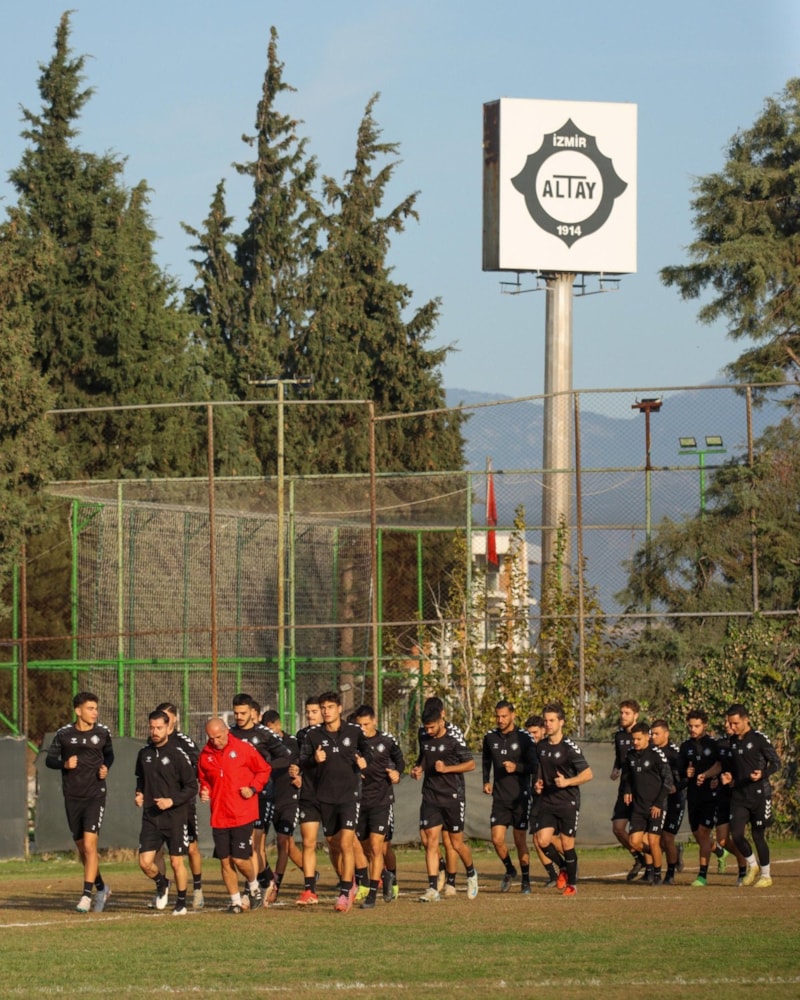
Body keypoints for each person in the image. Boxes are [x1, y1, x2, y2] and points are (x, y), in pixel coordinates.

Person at [299, 691, 370, 913]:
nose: (326, 711)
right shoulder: (313, 735)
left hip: (349, 796)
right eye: (323, 708)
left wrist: (364, 761)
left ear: (339, 708)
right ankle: (349, 883)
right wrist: (314, 759)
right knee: (334, 844)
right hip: (325, 798)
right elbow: (303, 762)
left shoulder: (354, 731)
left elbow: (368, 751)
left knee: (347, 843)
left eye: (330, 707)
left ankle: (345, 892)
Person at [45, 691, 114, 913]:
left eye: (96, 708)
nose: (95, 712)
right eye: (90, 709)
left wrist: (105, 767)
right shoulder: (64, 734)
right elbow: (49, 760)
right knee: (82, 848)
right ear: (78, 711)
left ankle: (86, 895)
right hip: (72, 796)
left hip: (95, 795)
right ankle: (102, 888)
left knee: (90, 845)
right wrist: (64, 764)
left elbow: (109, 755)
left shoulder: (102, 732)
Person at [197, 717, 272, 913]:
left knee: (239, 859)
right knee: (225, 860)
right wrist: (204, 790)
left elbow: (264, 770)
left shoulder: (243, 749)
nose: (215, 741)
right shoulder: (205, 755)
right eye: (211, 738)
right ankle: (236, 901)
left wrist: (253, 788)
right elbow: (204, 779)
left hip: (242, 813)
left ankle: (253, 886)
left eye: (218, 736)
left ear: (226, 731)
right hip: (219, 816)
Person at [412, 702, 479, 902]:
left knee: (456, 843)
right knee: (431, 841)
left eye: (432, 727)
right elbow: (424, 756)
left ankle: (471, 873)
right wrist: (418, 768)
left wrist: (447, 769)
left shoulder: (453, 738)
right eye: (426, 727)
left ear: (441, 721)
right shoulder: (424, 735)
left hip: (452, 796)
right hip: (431, 795)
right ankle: (433, 888)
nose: (429, 731)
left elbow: (471, 764)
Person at [229, 693, 291, 903]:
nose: (239, 717)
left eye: (243, 713)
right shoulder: (230, 734)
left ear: (252, 712)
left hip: (262, 794)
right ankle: (264, 879)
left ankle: (251, 890)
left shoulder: (264, 734)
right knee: (243, 847)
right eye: (236, 713)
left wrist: (263, 768)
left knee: (253, 843)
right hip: (238, 796)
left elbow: (285, 757)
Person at [134, 710, 198, 915]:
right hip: (151, 817)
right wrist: (139, 793)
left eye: (159, 728)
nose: (155, 731)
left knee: (176, 861)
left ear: (168, 728)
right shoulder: (144, 754)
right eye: (152, 727)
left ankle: (181, 902)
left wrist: (172, 801)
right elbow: (141, 779)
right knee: (145, 863)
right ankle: (162, 883)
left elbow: (192, 787)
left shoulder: (177, 755)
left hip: (175, 817)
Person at [533, 702, 593, 897]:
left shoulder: (569, 748)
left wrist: (567, 782)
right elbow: (541, 769)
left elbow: (588, 774)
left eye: (552, 720)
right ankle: (564, 867)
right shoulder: (541, 746)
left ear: (561, 722)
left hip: (568, 801)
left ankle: (572, 885)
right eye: (546, 721)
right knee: (542, 840)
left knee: (567, 844)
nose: (548, 724)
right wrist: (538, 782)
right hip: (548, 800)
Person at [720, 703, 781, 888]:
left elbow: (776, 763)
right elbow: (734, 766)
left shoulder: (759, 739)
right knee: (737, 835)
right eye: (730, 723)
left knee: (758, 835)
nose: (731, 727)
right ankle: (753, 866)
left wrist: (762, 774)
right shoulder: (732, 741)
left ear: (746, 720)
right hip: (739, 795)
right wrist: (729, 777)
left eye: (735, 723)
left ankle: (766, 875)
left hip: (760, 795)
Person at [153, 701, 205, 909]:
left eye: (166, 717)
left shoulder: (184, 742)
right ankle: (162, 890)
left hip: (183, 805)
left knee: (191, 848)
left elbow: (198, 766)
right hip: (159, 807)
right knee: (157, 851)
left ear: (174, 719)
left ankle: (198, 889)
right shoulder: (153, 742)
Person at [482, 700, 537, 893]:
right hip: (500, 798)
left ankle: (526, 880)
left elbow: (534, 765)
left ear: (513, 715)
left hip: (520, 798)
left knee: (520, 840)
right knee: (497, 839)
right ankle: (510, 869)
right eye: (498, 716)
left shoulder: (524, 738)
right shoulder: (490, 737)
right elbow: (486, 760)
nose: (500, 720)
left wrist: (517, 767)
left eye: (504, 716)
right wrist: (485, 781)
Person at [353, 704, 405, 908]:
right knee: (366, 848)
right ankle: (385, 874)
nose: (363, 728)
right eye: (359, 725)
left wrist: (397, 773)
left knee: (378, 847)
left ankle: (372, 896)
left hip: (381, 801)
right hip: (359, 802)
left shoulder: (387, 740)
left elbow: (400, 762)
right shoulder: (353, 743)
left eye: (366, 724)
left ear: (374, 721)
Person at [621, 722, 674, 885]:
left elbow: (668, 781)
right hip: (638, 806)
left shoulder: (656, 754)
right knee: (634, 842)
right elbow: (627, 776)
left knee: (653, 840)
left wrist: (658, 803)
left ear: (647, 737)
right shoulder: (630, 755)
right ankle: (658, 854)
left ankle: (656, 875)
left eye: (638, 739)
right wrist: (627, 790)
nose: (635, 742)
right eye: (633, 739)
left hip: (656, 806)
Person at [261, 708, 303, 897]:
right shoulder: (264, 745)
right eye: (266, 729)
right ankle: (311, 873)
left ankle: (276, 885)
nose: (269, 732)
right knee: (286, 846)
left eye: (271, 728)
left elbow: (301, 763)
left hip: (289, 799)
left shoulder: (292, 743)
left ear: (278, 725)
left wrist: (300, 775)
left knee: (282, 841)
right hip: (269, 799)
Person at [679, 709, 721, 887]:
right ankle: (720, 852)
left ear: (705, 725)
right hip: (693, 795)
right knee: (698, 835)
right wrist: (685, 772)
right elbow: (680, 770)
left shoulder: (713, 744)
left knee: (704, 833)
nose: (693, 729)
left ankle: (702, 875)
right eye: (690, 726)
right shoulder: (685, 747)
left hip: (710, 796)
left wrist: (715, 778)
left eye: (697, 726)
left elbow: (721, 765)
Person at [290, 695, 325, 905]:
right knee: (308, 842)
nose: (310, 716)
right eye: (308, 712)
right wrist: (297, 771)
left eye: (314, 712)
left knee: (339, 843)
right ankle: (309, 890)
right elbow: (299, 760)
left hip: (333, 795)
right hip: (309, 795)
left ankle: (353, 881)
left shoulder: (335, 733)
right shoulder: (302, 735)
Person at [609, 699, 647, 880]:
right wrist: (616, 769)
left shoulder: (644, 735)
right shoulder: (619, 736)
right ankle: (639, 858)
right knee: (618, 828)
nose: (623, 716)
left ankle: (660, 860)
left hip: (641, 790)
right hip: (624, 788)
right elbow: (620, 758)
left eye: (627, 713)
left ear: (636, 715)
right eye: (622, 713)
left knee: (643, 835)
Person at [649, 719, 687, 884]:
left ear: (666, 734)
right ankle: (674, 855)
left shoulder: (675, 754)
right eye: (652, 734)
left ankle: (670, 874)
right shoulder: (650, 751)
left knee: (667, 837)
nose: (653, 737)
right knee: (651, 838)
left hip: (675, 800)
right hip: (657, 800)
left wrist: (676, 787)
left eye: (656, 734)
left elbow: (687, 778)